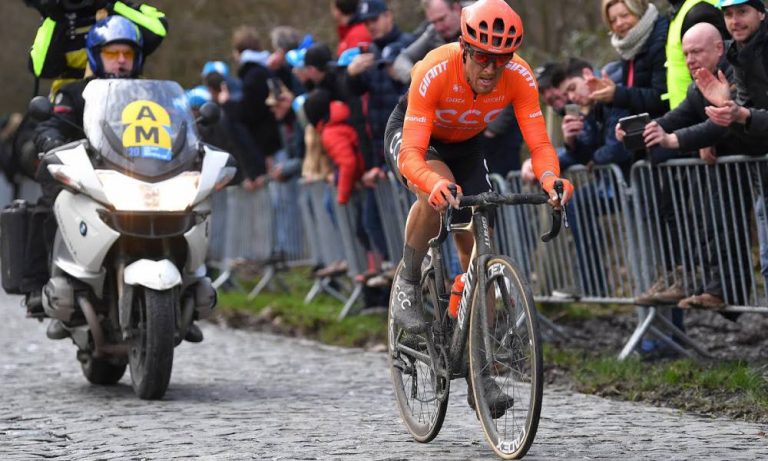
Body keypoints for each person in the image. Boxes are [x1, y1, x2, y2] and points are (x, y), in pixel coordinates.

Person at [384, 0, 573, 417]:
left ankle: (477, 369)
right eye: (483, 59)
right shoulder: (433, 69)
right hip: (418, 138)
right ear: (465, 50)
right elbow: (413, 153)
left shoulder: (520, 77)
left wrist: (549, 180)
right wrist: (432, 182)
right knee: (432, 201)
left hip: (466, 146)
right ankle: (409, 282)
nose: (491, 71)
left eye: (500, 61)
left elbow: (539, 145)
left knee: (479, 258)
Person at [28, 16, 203, 343]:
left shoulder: (151, 96)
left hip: (145, 177)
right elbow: (52, 124)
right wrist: (50, 139)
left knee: (196, 203)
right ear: (96, 55)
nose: (121, 60)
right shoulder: (76, 93)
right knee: (52, 200)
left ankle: (187, 287)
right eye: (113, 53)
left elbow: (178, 130)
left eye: (127, 53)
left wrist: (197, 142)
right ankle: (49, 284)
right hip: (95, 177)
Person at [23, 0, 167, 96]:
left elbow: (158, 30)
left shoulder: (121, 8)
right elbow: (40, 68)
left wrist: (110, 5)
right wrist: (54, 19)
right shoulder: (56, 19)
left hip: (127, 96)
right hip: (75, 105)